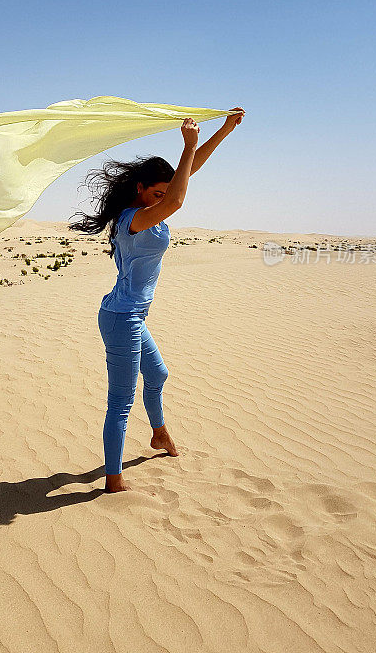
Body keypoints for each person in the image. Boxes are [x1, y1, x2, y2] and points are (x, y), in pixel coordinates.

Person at [69, 108, 245, 492]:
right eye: (156, 193)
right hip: (121, 317)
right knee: (120, 402)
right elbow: (178, 198)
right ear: (140, 189)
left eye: (164, 193)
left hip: (130, 315)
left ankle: (159, 434)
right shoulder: (134, 217)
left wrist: (223, 132)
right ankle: (113, 481)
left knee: (159, 375)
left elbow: (186, 174)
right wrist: (188, 144)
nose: (163, 198)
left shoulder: (147, 209)